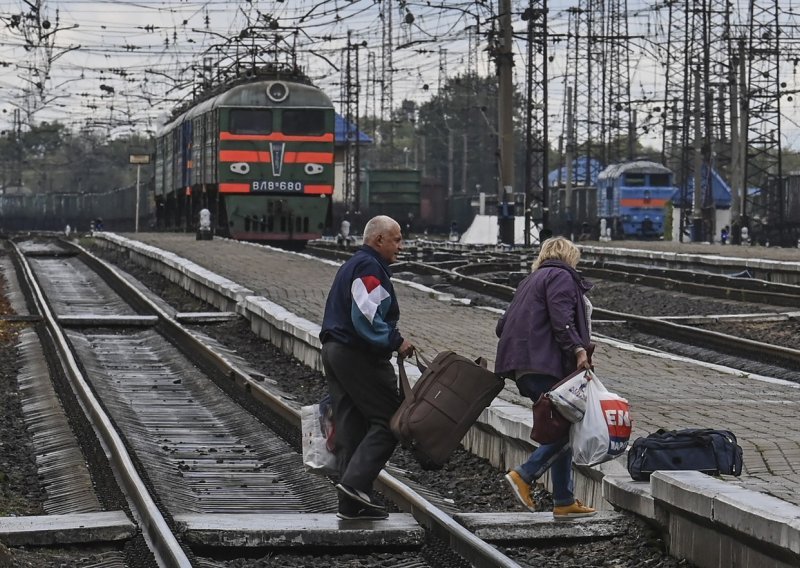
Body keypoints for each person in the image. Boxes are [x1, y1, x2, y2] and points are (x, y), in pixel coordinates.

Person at [320, 215, 415, 520]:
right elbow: (366, 315)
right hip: (355, 353)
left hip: (335, 350)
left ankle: (352, 505)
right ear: (379, 240)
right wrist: (395, 340)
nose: (400, 246)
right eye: (397, 239)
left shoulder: (355, 263)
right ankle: (354, 483)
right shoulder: (369, 267)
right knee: (390, 421)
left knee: (353, 425)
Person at [495, 236, 597, 520]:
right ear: (569, 256)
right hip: (545, 365)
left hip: (522, 366)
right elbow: (561, 318)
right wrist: (578, 350)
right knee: (568, 429)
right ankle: (524, 475)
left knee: (559, 429)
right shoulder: (562, 277)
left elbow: (501, 325)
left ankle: (564, 500)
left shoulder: (530, 281)